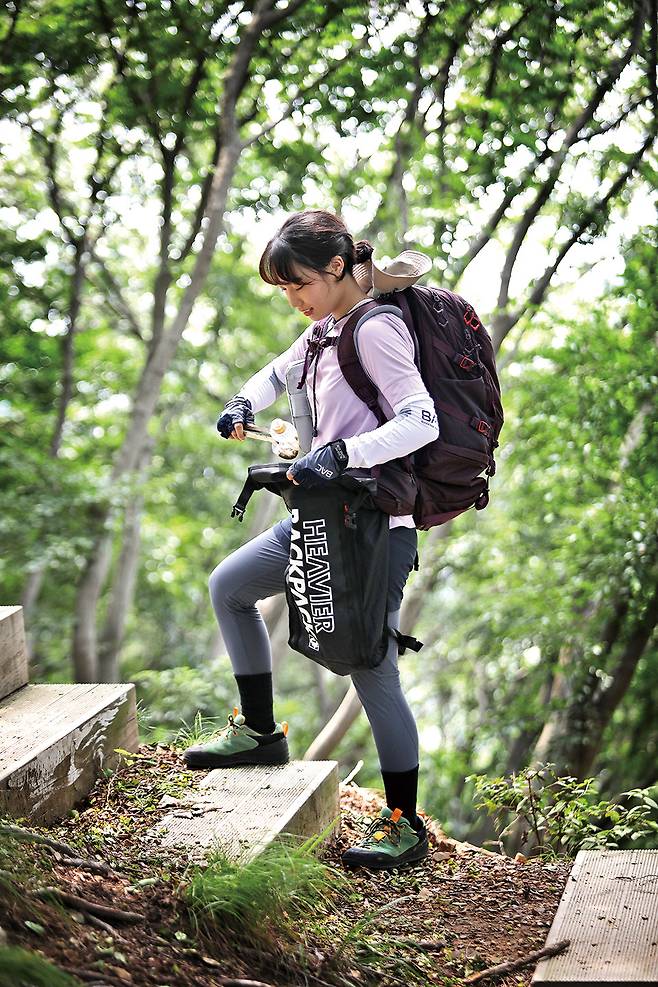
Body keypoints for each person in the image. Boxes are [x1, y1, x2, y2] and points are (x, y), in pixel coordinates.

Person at [183, 210, 439, 870]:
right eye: (283, 290)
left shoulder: (377, 329)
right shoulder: (325, 330)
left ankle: (404, 823)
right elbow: (276, 371)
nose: (292, 299)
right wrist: (244, 403)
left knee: (371, 664)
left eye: (297, 284)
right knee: (231, 587)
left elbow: (422, 421)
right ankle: (262, 731)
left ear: (334, 269)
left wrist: (344, 451)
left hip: (377, 527)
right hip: (322, 516)